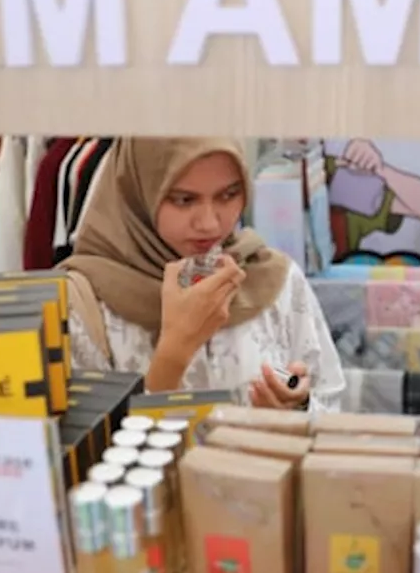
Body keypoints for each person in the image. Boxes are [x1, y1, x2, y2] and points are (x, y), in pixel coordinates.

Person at [59, 137, 346, 411]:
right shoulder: (82, 305)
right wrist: (173, 354)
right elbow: (77, 452)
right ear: (139, 192)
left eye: (228, 195)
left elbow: (332, 408)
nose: (209, 224)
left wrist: (297, 406)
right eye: (184, 200)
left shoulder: (275, 280)